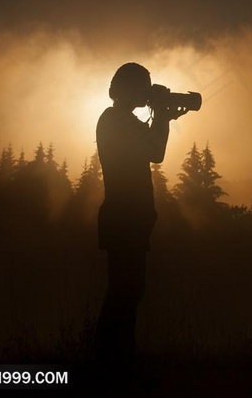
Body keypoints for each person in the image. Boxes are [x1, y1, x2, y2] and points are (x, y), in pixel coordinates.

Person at [94, 62, 186, 373]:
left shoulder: (117, 120)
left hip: (127, 217)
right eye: (143, 87)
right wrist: (161, 117)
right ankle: (111, 361)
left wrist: (163, 117)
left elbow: (146, 145)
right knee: (125, 290)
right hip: (125, 218)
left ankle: (115, 358)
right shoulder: (118, 121)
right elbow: (155, 152)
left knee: (127, 289)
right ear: (130, 90)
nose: (147, 92)